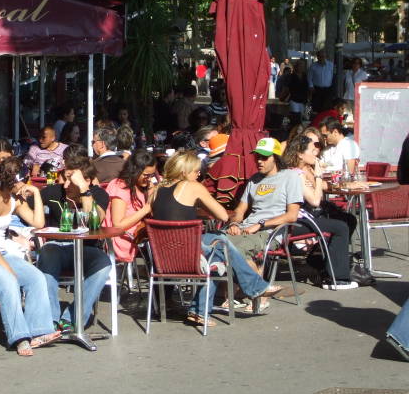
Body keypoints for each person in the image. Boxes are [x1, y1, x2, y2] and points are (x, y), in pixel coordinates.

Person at [148, 152, 280, 325]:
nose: (199, 175)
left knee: (217, 252)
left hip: (163, 257)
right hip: (189, 257)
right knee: (221, 243)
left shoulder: (156, 190)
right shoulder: (193, 186)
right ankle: (253, 288)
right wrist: (200, 201)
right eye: (196, 171)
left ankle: (201, 311)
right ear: (184, 172)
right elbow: (222, 215)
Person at [0, 157, 60, 356]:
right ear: (13, 181)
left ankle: (39, 331)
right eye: (24, 181)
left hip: (1, 250)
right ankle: (20, 337)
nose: (26, 185)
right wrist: (7, 269)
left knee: (35, 278)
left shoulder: (14, 198)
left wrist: (37, 194)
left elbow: (38, 223)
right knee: (7, 281)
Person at [36, 146, 113, 332]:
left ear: (86, 181)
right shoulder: (54, 192)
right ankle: (50, 320)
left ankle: (72, 318)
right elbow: (21, 204)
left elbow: (96, 221)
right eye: (66, 178)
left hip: (87, 249)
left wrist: (85, 192)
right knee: (48, 251)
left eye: (71, 180)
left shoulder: (98, 194)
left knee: (104, 262)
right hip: (58, 247)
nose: (65, 185)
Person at [282, 135, 366, 289]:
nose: (316, 153)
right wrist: (319, 176)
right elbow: (315, 200)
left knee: (345, 220)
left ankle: (325, 261)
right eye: (312, 150)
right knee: (341, 226)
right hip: (295, 221)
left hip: (299, 216)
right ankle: (336, 277)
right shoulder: (297, 173)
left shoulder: (295, 170)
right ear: (300, 154)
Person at [225, 138, 302, 274]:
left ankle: (257, 288)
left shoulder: (290, 177)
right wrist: (234, 224)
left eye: (265, 157)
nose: (259, 161)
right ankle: (228, 292)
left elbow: (292, 216)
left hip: (270, 232)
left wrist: (260, 224)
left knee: (235, 249)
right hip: (246, 228)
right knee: (213, 242)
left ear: (276, 158)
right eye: (257, 157)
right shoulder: (254, 179)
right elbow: (240, 210)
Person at [105, 149, 158, 263]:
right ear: (135, 171)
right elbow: (118, 224)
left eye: (152, 175)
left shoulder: (145, 186)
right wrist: (146, 209)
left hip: (142, 236)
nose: (149, 179)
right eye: (146, 175)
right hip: (124, 238)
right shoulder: (120, 186)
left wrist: (152, 191)